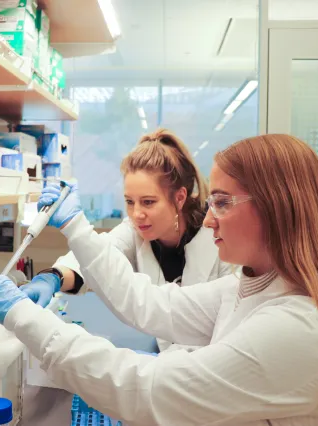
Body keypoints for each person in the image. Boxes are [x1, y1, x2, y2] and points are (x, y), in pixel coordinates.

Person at [0, 134, 318, 425]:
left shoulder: (293, 328)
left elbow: (147, 389)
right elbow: (150, 303)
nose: (211, 218)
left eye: (224, 203)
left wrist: (20, 315)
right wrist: (61, 258)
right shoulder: (253, 286)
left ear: (277, 209)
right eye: (212, 202)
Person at [19, 129, 231, 352]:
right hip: (169, 361)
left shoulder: (219, 235)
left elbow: (230, 322)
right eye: (130, 202)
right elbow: (97, 256)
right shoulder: (135, 230)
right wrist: (53, 277)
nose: (137, 214)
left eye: (148, 202)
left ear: (179, 197)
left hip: (213, 364)